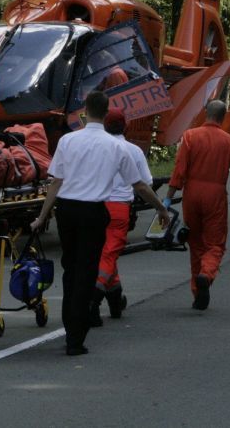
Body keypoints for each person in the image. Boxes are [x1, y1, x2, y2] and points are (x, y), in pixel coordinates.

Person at [30, 91, 169, 356]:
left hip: (67, 210)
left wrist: (42, 216)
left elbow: (56, 182)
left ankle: (70, 326)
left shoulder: (68, 141)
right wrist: (160, 208)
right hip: (94, 211)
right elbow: (140, 185)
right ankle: (76, 336)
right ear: (106, 114)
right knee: (87, 271)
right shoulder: (117, 147)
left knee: (70, 269)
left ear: (85, 111)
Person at [164, 99, 230, 311]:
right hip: (215, 195)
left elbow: (179, 170)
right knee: (215, 244)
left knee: (196, 243)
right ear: (223, 117)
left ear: (206, 113)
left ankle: (197, 292)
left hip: (191, 194)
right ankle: (205, 275)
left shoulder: (190, 136)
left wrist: (168, 197)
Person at [89, 108, 154, 326]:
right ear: (125, 126)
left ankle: (116, 301)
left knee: (104, 253)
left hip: (96, 205)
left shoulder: (96, 147)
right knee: (109, 255)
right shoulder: (133, 150)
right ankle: (93, 300)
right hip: (119, 207)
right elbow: (145, 183)